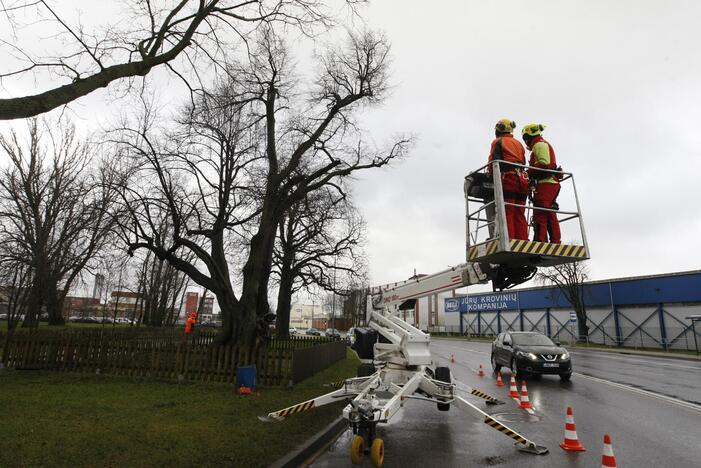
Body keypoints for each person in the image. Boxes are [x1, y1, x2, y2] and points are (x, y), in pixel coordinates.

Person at [487, 118, 529, 240]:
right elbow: (523, 161)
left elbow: (493, 162)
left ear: (499, 129)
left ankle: (509, 240)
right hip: (522, 179)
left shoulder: (498, 142)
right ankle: (522, 240)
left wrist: (490, 175)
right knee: (520, 212)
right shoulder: (519, 144)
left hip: (509, 179)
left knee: (507, 212)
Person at [522, 123, 561, 244]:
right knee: (549, 214)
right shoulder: (541, 144)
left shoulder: (539, 145)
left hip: (546, 184)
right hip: (549, 183)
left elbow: (544, 163)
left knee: (540, 214)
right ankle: (555, 241)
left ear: (528, 137)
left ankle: (540, 241)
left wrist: (528, 172)